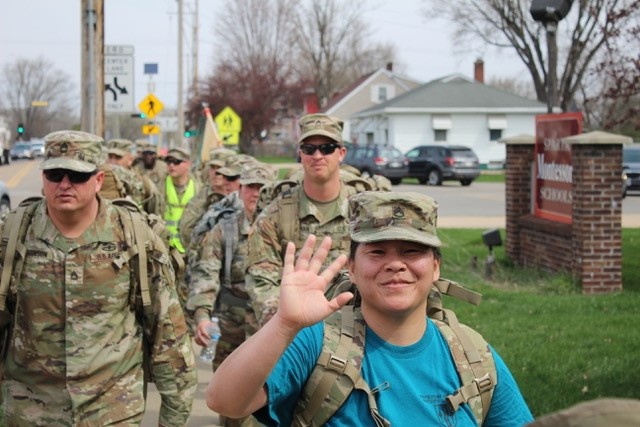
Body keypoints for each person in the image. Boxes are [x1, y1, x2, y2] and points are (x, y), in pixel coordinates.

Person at [206, 191, 534, 426]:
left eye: (411, 251)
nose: (395, 264)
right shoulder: (316, 344)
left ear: (436, 267)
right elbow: (225, 401)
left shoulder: (474, 356)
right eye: (377, 252)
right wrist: (283, 324)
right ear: (351, 266)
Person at [0, 130, 196, 426]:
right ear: (43, 179)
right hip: (29, 409)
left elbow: (168, 334)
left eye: (77, 176)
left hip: (112, 409)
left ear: (99, 180)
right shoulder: (12, 235)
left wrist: (174, 417)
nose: (64, 184)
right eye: (55, 174)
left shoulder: (134, 237)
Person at [245, 113, 358, 325]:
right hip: (294, 330)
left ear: (341, 153)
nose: (317, 155)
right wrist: (288, 323)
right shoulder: (274, 215)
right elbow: (261, 283)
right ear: (300, 153)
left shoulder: (363, 211)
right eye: (309, 148)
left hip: (353, 329)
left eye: (327, 148)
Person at [188, 163, 276, 427]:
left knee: (272, 393)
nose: (256, 193)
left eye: (262, 187)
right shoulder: (224, 228)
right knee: (232, 401)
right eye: (250, 186)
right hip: (231, 324)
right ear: (240, 188)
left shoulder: (280, 229)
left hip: (270, 324)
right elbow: (206, 273)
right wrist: (202, 316)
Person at [105, 138, 162, 215]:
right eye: (110, 157)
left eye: (118, 157)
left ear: (130, 159)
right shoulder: (98, 180)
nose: (112, 162)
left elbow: (155, 215)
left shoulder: (144, 183)